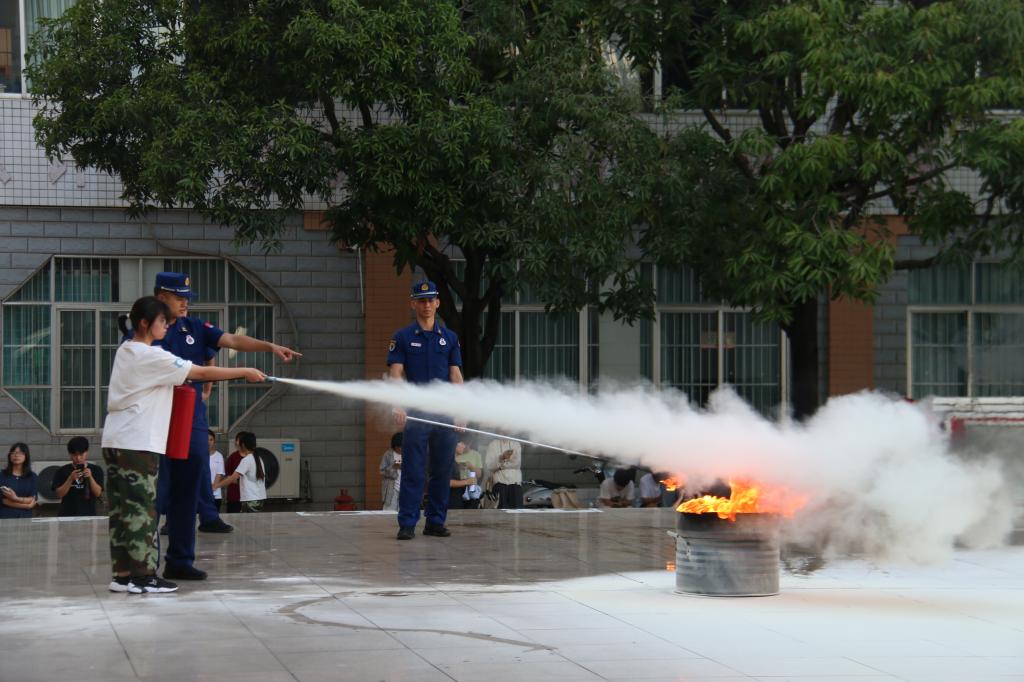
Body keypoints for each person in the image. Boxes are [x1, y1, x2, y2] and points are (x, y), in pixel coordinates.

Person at [102, 296, 266, 593]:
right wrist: (244, 371)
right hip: (138, 444)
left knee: (122, 511)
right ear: (145, 324)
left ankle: (123, 574)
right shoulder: (151, 356)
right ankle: (144, 577)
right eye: (162, 321)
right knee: (142, 510)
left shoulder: (126, 350)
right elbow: (200, 372)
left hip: (116, 440)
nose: (167, 326)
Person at [142, 272, 299, 582]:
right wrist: (241, 372)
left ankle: (180, 561)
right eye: (179, 297)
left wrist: (269, 346)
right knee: (157, 493)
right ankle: (144, 566)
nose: (185, 303)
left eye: (187, 298)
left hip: (191, 419)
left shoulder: (194, 327)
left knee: (188, 490)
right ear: (161, 297)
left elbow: (233, 340)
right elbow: (195, 372)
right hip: (157, 419)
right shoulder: (147, 332)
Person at [387, 280, 464, 540]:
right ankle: (407, 523)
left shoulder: (449, 338)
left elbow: (455, 375)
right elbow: (396, 374)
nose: (427, 305)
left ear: (438, 303)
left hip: (444, 414)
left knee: (442, 471)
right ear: (413, 304)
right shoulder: (403, 337)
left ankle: (435, 522)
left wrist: (462, 410)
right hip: (417, 414)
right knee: (414, 470)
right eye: (422, 301)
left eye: (431, 300)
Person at [52, 436, 105, 517]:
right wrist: (70, 478)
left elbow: (98, 493)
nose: (78, 458)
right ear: (70, 454)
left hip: (88, 515)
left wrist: (90, 477)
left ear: (86, 452)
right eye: (74, 455)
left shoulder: (96, 470)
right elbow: (59, 494)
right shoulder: (61, 471)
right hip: (66, 515)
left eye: (81, 454)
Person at [213, 432, 266, 512]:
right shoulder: (259, 459)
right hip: (259, 499)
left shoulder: (246, 460)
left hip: (250, 499)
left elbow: (232, 478)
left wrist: (216, 485)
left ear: (243, 445)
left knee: (245, 520)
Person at [0, 443, 39, 519]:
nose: (16, 455)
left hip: (25, 517)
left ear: (26, 456)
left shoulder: (32, 476)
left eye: (20, 453)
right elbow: (3, 500)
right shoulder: (2, 475)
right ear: (9, 456)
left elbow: (32, 499)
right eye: (13, 453)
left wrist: (15, 498)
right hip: (5, 517)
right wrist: (27, 506)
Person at [484, 438, 523, 509]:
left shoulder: (516, 444)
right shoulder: (493, 444)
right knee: (500, 511)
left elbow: (517, 464)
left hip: (515, 483)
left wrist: (500, 465)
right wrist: (502, 457)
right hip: (499, 483)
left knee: (517, 512)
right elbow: (490, 466)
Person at [449, 440, 483, 510]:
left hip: (466, 493)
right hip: (452, 498)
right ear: (455, 444)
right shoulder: (447, 459)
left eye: (466, 444)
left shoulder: (476, 454)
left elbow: (479, 474)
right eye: (462, 443)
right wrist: (467, 481)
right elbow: (447, 482)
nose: (464, 446)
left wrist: (470, 467)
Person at [223, 432, 248, 514]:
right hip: (234, 496)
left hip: (249, 497)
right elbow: (227, 475)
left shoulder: (253, 458)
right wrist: (235, 480)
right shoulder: (233, 457)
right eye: (238, 440)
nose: (239, 443)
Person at [379, 432, 402, 512]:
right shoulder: (388, 454)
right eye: (398, 447)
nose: (400, 449)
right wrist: (393, 467)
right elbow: (382, 471)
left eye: (402, 446)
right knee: (389, 511)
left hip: (406, 486)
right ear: (394, 445)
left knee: (404, 510)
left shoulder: (409, 454)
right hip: (391, 487)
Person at [208, 430, 225, 513]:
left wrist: (213, 487)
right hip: (200, 495)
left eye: (211, 440)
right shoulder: (198, 455)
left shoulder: (219, 456)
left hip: (215, 495)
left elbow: (219, 474)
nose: (208, 442)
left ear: (214, 441)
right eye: (206, 440)